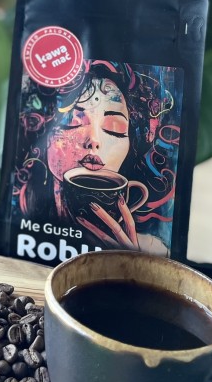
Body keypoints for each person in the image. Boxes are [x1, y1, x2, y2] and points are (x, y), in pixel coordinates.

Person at [15, 60, 180, 254]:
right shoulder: (20, 225)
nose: (94, 140)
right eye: (72, 122)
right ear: (43, 132)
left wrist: (133, 260)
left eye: (114, 129)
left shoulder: (151, 250)